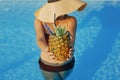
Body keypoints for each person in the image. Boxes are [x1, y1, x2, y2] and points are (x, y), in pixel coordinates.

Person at [34, 0, 87, 80]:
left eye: (64, 7)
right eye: (59, 9)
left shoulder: (71, 20)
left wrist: (70, 48)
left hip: (67, 65)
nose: (63, 13)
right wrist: (46, 50)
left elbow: (71, 40)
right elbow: (40, 39)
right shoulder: (39, 21)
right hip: (47, 65)